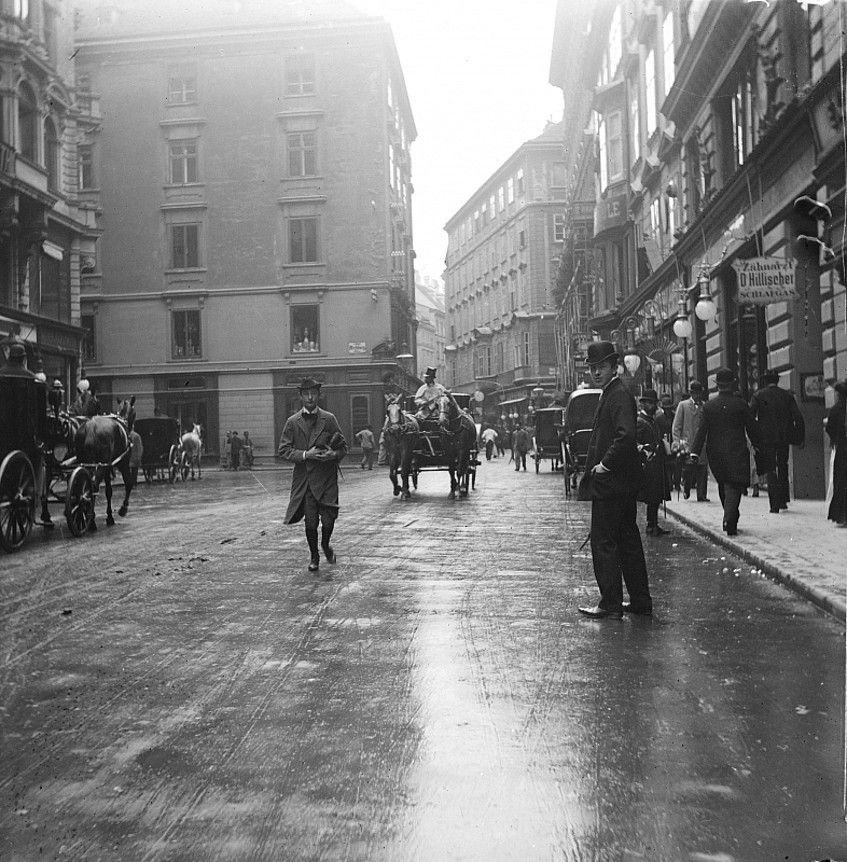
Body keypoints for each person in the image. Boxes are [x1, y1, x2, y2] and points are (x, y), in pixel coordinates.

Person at [576, 341, 650, 619]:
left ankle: (610, 603)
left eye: (602, 367)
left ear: (614, 366)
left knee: (604, 542)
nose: (596, 372)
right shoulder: (615, 392)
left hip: (611, 484)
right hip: (623, 484)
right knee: (628, 541)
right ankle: (640, 601)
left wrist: (604, 464)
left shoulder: (617, 394)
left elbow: (625, 435)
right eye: (593, 368)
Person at [278, 377, 347, 572]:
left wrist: (334, 454)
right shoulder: (292, 422)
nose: (310, 397)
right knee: (310, 523)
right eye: (306, 394)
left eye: (313, 393)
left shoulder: (329, 419)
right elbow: (283, 450)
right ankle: (314, 555)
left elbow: (343, 447)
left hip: (327, 479)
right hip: (306, 481)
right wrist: (306, 454)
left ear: (319, 395)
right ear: (300, 396)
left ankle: (325, 545)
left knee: (328, 521)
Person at [691, 368, 762, 537]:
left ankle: (730, 516)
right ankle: (729, 518)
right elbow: (752, 428)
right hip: (736, 450)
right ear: (732, 384)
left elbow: (702, 431)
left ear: (717, 385)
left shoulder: (708, 407)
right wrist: (758, 445)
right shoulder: (741, 404)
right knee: (734, 485)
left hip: (715, 453)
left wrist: (695, 452)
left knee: (724, 484)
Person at [749, 369, 805, 513]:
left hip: (766, 439)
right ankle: (783, 500)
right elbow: (798, 416)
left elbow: (750, 418)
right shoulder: (786, 395)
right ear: (777, 380)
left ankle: (774, 504)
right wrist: (799, 437)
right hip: (783, 437)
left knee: (770, 469)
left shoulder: (758, 395)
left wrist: (755, 436)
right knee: (783, 465)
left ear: (765, 381)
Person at [636, 389, 671, 536]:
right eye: (648, 403)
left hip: (657, 463)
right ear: (643, 404)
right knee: (652, 496)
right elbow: (636, 443)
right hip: (648, 464)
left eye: (653, 403)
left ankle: (654, 523)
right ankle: (651, 525)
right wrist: (645, 449)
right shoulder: (640, 422)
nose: (651, 406)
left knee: (656, 496)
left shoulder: (653, 420)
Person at [672, 381, 709, 501]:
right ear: (691, 393)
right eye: (695, 393)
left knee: (702, 469)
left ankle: (701, 495)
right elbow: (676, 426)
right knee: (689, 469)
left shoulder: (705, 406)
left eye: (700, 393)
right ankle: (686, 488)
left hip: (702, 444)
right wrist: (677, 442)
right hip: (688, 443)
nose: (698, 396)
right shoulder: (683, 405)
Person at [825, 380, 847, 526]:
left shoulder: (835, 409)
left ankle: (841, 516)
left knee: (841, 480)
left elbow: (829, 428)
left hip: (842, 448)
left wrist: (835, 439)